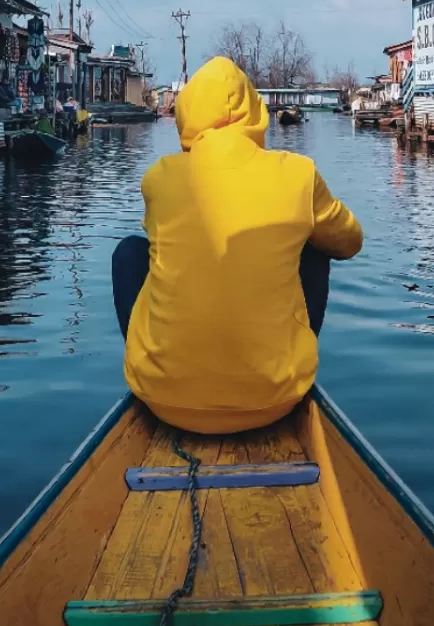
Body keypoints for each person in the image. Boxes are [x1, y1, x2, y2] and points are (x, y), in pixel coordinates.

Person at [113, 56, 362, 434]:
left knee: (131, 252)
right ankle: (286, 365)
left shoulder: (159, 177)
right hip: (276, 399)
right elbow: (349, 243)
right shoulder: (298, 173)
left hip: (164, 400)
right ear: (255, 110)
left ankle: (159, 368)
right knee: (315, 246)